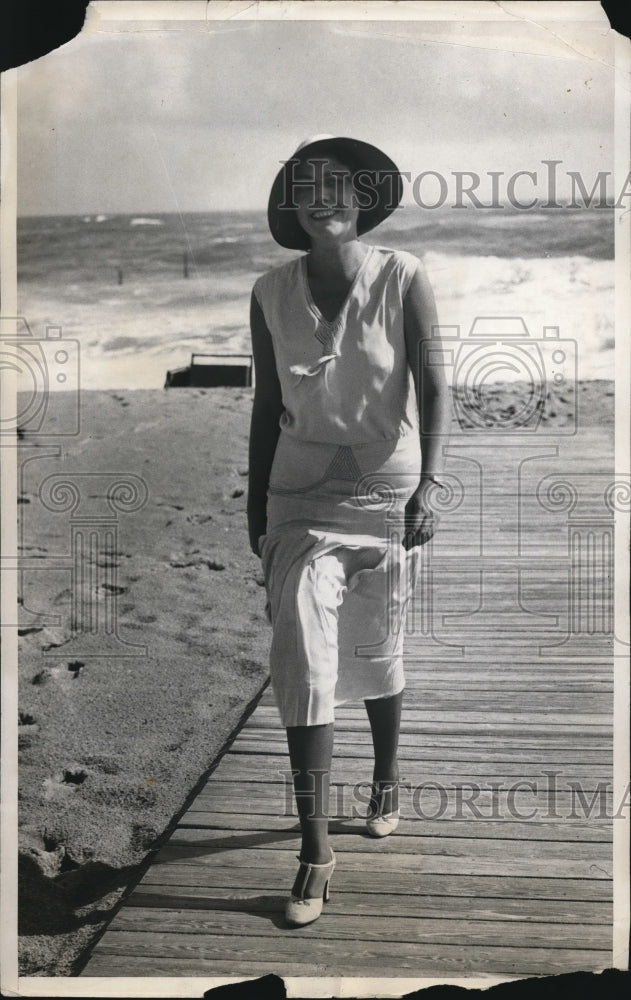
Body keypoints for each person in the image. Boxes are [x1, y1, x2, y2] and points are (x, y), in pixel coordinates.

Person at [247, 135, 451, 927]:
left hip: (387, 494)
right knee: (302, 653)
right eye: (305, 188)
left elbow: (434, 384)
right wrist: (255, 509)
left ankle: (386, 776)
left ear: (361, 199)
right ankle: (314, 853)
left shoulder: (402, 276)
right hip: (297, 497)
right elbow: (267, 406)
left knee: (375, 649)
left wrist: (430, 483)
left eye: (335, 186)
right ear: (292, 208)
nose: (320, 199)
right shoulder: (268, 292)